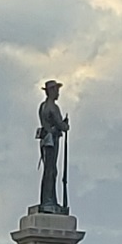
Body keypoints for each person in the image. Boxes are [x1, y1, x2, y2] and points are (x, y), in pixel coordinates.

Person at [37, 79, 69, 211]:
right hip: (51, 139)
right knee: (51, 170)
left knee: (49, 170)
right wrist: (65, 124)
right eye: (56, 90)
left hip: (45, 140)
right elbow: (61, 126)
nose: (58, 93)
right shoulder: (52, 107)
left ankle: (48, 199)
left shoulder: (42, 106)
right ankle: (49, 200)